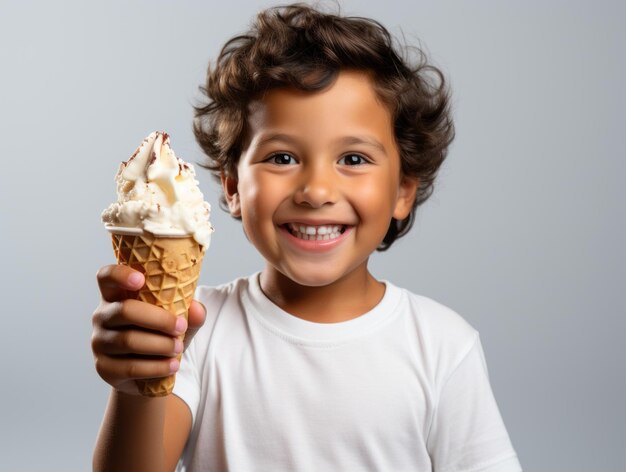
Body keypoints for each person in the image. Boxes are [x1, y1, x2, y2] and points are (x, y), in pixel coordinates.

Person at [92, 4, 522, 471]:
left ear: (402, 191)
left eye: (354, 159)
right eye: (281, 158)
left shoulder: (442, 346)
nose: (317, 191)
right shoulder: (196, 329)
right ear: (233, 187)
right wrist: (136, 388)